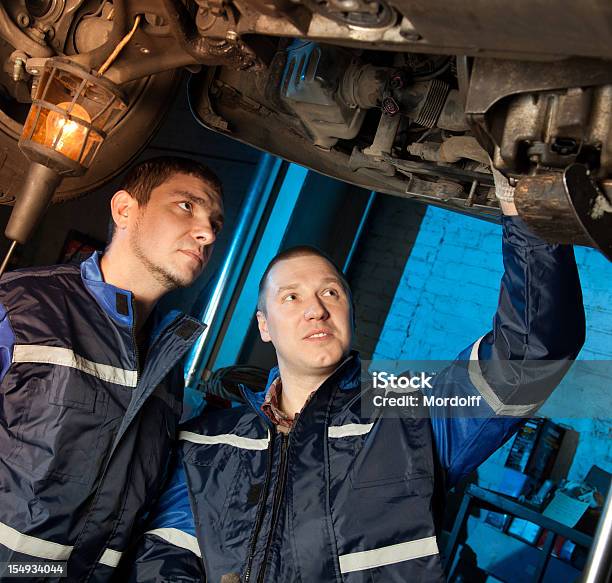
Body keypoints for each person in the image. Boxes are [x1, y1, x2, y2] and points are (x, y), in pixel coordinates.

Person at [128, 194, 585, 582]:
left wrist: (523, 203)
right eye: (292, 297)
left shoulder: (407, 414)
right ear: (264, 326)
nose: (316, 310)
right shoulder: (207, 440)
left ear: (348, 313)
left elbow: (530, 354)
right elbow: (167, 552)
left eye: (331, 293)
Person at [0, 156, 224, 581]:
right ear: (124, 209)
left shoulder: (167, 363)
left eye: (215, 221)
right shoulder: (20, 306)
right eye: (186, 206)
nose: (207, 232)